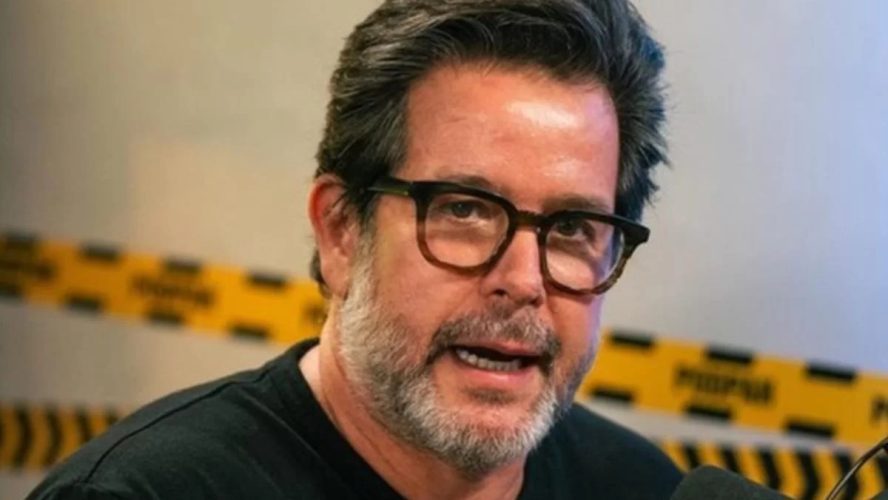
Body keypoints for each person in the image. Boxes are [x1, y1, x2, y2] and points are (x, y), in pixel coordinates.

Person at [30, 0, 681, 498]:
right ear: (341, 231)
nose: (523, 280)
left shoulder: (639, 488)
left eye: (571, 227)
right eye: (464, 210)